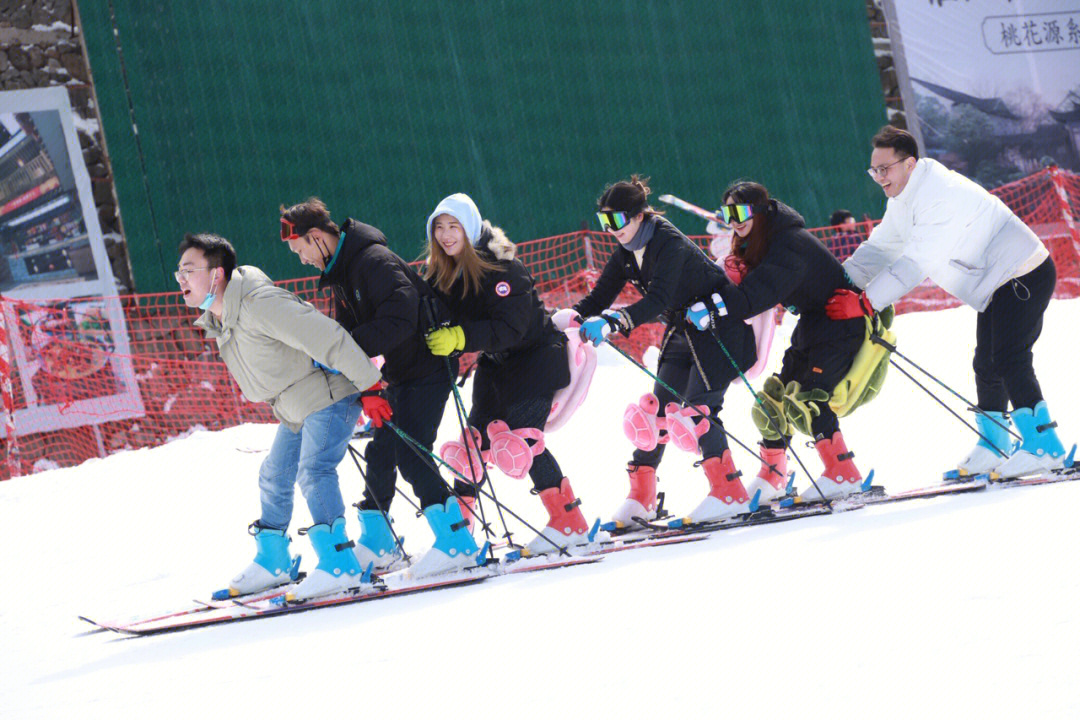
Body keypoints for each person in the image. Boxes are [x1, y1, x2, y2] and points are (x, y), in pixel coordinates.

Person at [831, 125, 1066, 478]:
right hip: (997, 281)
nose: (879, 177)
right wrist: (842, 283)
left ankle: (1044, 446)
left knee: (1008, 356)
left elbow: (914, 264)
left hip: (1022, 272)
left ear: (909, 163)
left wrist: (865, 303)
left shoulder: (939, 194)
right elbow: (882, 247)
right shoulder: (904, 198)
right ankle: (995, 445)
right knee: (986, 362)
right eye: (874, 170)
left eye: (885, 169)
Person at [177, 233, 391, 602]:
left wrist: (371, 386)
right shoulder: (224, 318)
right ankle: (273, 560)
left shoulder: (260, 303)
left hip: (328, 397)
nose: (181, 279)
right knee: (274, 474)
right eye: (178, 272)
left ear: (218, 274)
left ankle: (338, 561)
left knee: (314, 470)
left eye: (189, 270)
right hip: (296, 407)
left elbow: (328, 335)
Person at [279, 198, 466, 578]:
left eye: (300, 250)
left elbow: (401, 317)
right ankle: (379, 541)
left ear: (316, 237)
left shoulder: (372, 261)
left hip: (429, 365)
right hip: (402, 370)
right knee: (382, 453)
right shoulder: (345, 271)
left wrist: (344, 351)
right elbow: (348, 336)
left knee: (412, 453)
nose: (301, 259)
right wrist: (357, 375)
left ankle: (457, 543)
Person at [571, 176, 757, 524]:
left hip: (716, 326)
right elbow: (600, 296)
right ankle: (642, 497)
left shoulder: (667, 242)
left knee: (698, 412)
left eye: (616, 220)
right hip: (683, 328)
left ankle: (729, 492)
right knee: (656, 414)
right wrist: (570, 317)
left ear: (639, 215)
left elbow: (659, 299)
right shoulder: (627, 251)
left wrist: (614, 322)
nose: (612, 230)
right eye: (604, 222)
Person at [423, 192, 594, 556]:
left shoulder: (504, 271)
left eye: (453, 226)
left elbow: (511, 327)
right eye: (439, 228)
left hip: (536, 361)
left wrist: (460, 337)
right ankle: (459, 530)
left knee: (521, 439)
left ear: (469, 227)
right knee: (473, 445)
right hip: (497, 366)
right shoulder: (444, 273)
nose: (446, 235)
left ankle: (568, 521)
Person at [714, 181, 868, 503]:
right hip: (814, 325)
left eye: (740, 211)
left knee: (809, 397)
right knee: (773, 402)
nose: (734, 220)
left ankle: (843, 471)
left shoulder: (787, 244)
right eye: (727, 213)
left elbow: (754, 295)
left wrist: (717, 304)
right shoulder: (763, 242)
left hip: (841, 325)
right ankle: (774, 476)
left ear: (758, 211)